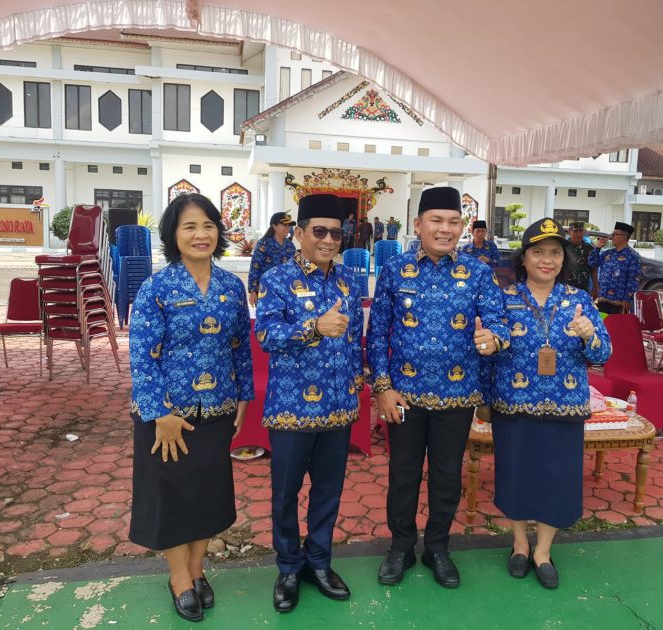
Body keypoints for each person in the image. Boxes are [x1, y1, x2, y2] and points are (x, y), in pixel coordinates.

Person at [367, 186, 508, 589]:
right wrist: (383, 387)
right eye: (436, 220)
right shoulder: (395, 269)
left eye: (453, 222)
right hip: (404, 396)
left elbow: (497, 322)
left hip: (457, 395)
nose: (446, 229)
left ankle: (438, 548)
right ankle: (401, 546)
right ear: (418, 225)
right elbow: (377, 332)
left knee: (447, 475)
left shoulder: (477, 272)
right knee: (403, 474)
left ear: (462, 227)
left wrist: (493, 339)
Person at [128, 193, 254, 622]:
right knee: (173, 498)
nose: (201, 235)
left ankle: (198, 570)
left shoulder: (231, 287)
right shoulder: (156, 288)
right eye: (190, 227)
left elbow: (240, 347)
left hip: (217, 408)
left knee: (205, 496)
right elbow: (142, 356)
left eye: (208, 225)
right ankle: (179, 578)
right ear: (173, 235)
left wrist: (244, 396)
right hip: (169, 416)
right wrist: (159, 414)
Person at [254, 193, 364, 613]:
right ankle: (288, 567)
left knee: (328, 492)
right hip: (291, 408)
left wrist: (357, 382)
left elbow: (355, 339)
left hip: (338, 406)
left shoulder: (350, 280)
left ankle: (319, 561)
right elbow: (266, 335)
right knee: (285, 494)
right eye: (319, 231)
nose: (329, 240)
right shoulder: (277, 279)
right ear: (299, 234)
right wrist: (313, 326)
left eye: (336, 233)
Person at [490, 217, 611, 589]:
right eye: (539, 252)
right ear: (523, 258)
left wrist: (590, 335)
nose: (547, 260)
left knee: (557, 478)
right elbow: (490, 348)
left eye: (555, 253)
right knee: (516, 474)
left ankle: (543, 551)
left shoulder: (579, 300)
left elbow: (603, 354)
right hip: (514, 404)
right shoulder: (504, 299)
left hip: (564, 405)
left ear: (564, 259)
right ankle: (519, 544)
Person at [589, 221, 641, 314]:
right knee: (603, 323)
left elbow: (633, 281)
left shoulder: (632, 256)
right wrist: (597, 248)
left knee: (616, 324)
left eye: (614, 234)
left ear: (624, 237)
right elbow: (592, 263)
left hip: (619, 303)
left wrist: (627, 300)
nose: (611, 237)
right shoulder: (608, 253)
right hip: (603, 300)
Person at [248, 212, 296, 307]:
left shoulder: (290, 245)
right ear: (274, 226)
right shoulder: (264, 244)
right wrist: (252, 291)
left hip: (287, 291)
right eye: (284, 225)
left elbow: (295, 267)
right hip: (267, 290)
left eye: (289, 225)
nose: (287, 228)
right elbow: (255, 267)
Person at [565, 222, 597, 295]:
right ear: (569, 231)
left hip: (583, 289)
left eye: (581, 231)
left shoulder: (589, 248)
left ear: (584, 232)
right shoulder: (563, 247)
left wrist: (595, 287)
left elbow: (593, 269)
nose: (578, 234)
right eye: (575, 231)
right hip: (565, 288)